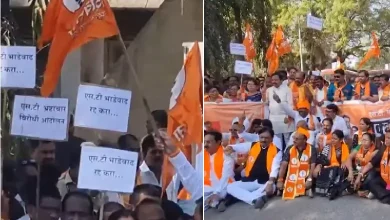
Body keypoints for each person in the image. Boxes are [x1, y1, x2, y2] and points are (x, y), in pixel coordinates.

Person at [224, 127, 282, 209]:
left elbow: (275, 168)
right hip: (250, 180)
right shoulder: (253, 145)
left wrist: (270, 183)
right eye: (261, 137)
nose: (263, 140)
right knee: (230, 187)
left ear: (272, 139)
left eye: (266, 138)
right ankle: (254, 199)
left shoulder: (277, 151)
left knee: (271, 188)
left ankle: (247, 196)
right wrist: (231, 147)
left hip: (265, 182)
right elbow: (240, 147)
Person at [277, 128, 317, 199]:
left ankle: (306, 188)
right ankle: (304, 190)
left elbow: (313, 165)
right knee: (282, 174)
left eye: (297, 139)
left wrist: (310, 179)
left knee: (313, 176)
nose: (294, 140)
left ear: (304, 140)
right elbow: (284, 164)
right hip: (292, 174)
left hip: (305, 175)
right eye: (294, 138)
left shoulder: (312, 149)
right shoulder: (290, 148)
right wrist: (280, 179)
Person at [354, 128, 390, 204]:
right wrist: (359, 176)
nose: (386, 140)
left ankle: (382, 195)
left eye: (389, 138)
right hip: (386, 180)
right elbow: (371, 163)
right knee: (371, 182)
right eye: (386, 138)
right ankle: (381, 194)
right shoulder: (384, 148)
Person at [203, 131, 234, 211]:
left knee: (226, 191)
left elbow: (226, 177)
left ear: (218, 142)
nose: (205, 145)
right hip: (208, 186)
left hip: (224, 185)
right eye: (205, 142)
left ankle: (218, 201)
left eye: (209, 142)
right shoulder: (203, 154)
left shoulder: (226, 155)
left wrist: (216, 193)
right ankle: (216, 203)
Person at [265, 71, 294, 149]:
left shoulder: (287, 89)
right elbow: (267, 103)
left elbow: (291, 104)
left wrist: (288, 116)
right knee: (277, 139)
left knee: (287, 138)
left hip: (284, 117)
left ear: (281, 80)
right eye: (272, 80)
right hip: (273, 117)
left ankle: (288, 156)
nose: (274, 82)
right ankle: (279, 156)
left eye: (276, 80)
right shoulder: (269, 90)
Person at [345, 133, 378, 198]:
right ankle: (356, 188)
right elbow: (349, 157)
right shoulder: (359, 147)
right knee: (345, 168)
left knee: (370, 176)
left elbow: (369, 165)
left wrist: (359, 176)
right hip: (357, 170)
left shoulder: (376, 150)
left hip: (367, 171)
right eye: (362, 140)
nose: (363, 142)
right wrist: (350, 171)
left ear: (371, 142)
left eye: (366, 140)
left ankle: (362, 189)